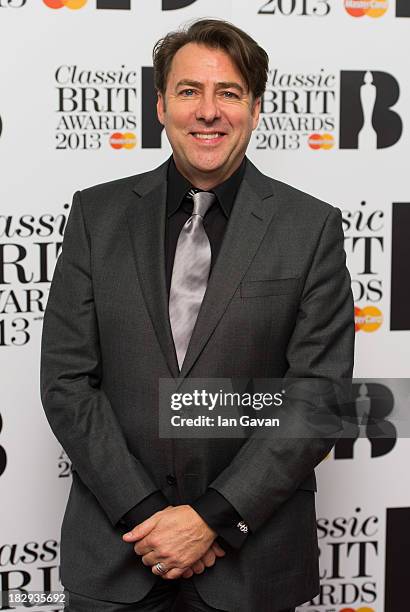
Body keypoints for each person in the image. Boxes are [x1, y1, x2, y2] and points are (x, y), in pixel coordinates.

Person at [40, 18, 354, 612]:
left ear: (256, 108)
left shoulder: (310, 228)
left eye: (229, 93)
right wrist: (148, 518)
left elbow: (317, 398)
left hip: (251, 567)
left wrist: (212, 518)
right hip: (116, 556)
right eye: (189, 91)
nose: (208, 111)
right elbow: (67, 382)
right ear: (161, 105)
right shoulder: (94, 215)